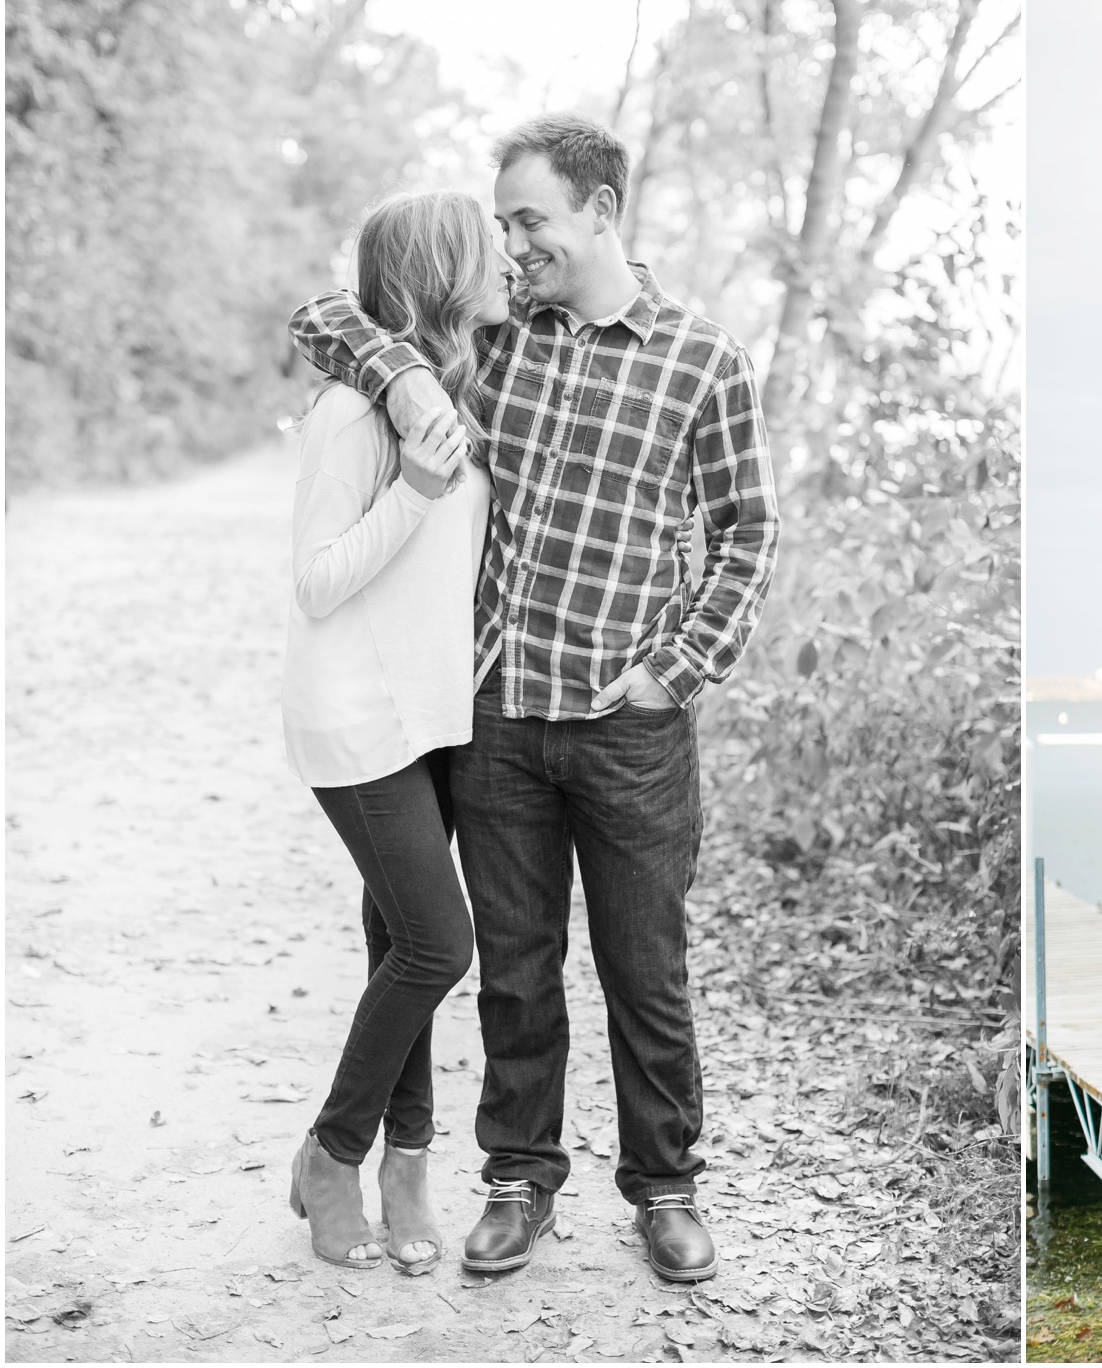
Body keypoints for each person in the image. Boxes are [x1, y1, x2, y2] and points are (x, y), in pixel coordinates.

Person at [290, 114, 780, 1284]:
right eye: (502, 224)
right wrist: (407, 377)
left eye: (530, 221)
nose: (511, 247)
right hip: (498, 712)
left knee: (643, 969)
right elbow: (323, 316)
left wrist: (673, 672)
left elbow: (749, 534)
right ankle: (518, 1181)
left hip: (629, 723)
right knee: (512, 965)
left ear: (601, 211)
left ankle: (666, 1187)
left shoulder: (701, 357)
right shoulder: (494, 342)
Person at [281, 191, 509, 1271]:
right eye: (488, 250)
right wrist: (414, 493)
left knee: (396, 942)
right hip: (356, 717)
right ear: (440, 273)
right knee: (437, 942)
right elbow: (317, 582)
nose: (508, 260)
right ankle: (333, 1153)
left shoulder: (463, 385)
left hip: (434, 718)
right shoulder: (351, 415)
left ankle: (405, 1166)